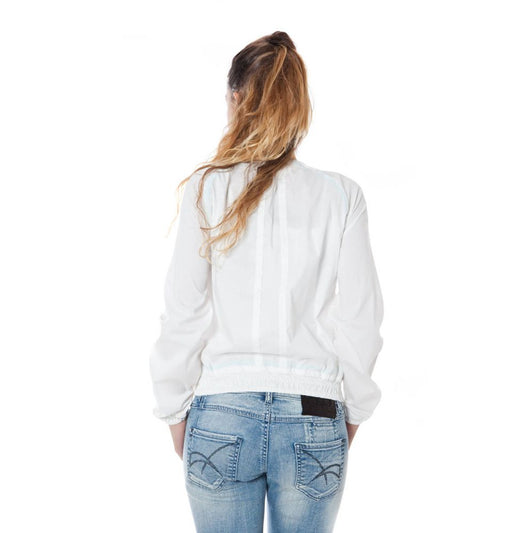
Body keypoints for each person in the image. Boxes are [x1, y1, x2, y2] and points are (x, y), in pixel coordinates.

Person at [149, 30, 384, 533]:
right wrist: (352, 413)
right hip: (315, 412)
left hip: (222, 411)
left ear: (236, 98)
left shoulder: (207, 188)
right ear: (299, 106)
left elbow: (184, 312)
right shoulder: (342, 196)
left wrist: (173, 411)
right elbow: (361, 319)